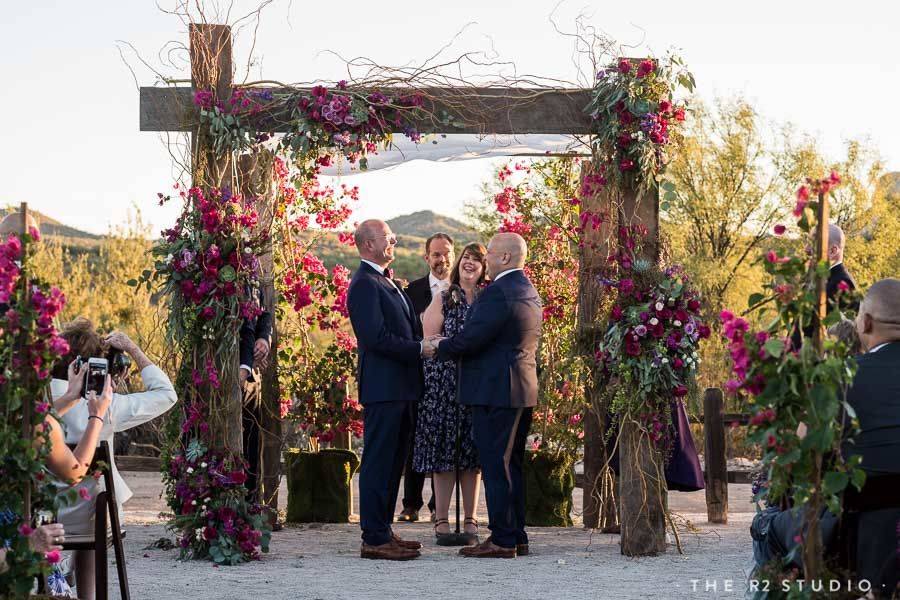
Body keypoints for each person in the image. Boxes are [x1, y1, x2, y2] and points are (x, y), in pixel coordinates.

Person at [761, 279, 900, 589]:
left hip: (858, 537)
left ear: (865, 322)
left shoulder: (841, 378)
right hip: (879, 536)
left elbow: (796, 460)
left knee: (768, 527)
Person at [426, 232, 542, 559]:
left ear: (504, 258)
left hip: (496, 391)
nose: (486, 258)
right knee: (511, 466)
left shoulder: (498, 293)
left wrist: (440, 347)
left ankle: (503, 539)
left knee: (496, 465)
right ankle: (516, 534)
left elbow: (472, 339)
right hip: (518, 388)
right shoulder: (527, 290)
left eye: (490, 253)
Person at [49, 320, 177, 599]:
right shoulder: (107, 406)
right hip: (89, 518)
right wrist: (133, 349)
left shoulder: (40, 401)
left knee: (90, 498)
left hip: (44, 517)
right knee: (96, 498)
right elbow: (167, 395)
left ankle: (66, 567)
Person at [347, 219, 428, 561]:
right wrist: (420, 349)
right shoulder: (364, 284)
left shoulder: (386, 281)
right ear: (368, 245)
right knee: (379, 461)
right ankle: (373, 538)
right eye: (387, 237)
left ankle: (382, 529)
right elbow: (375, 338)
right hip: (384, 387)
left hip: (403, 386)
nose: (393, 240)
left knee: (395, 462)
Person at [1, 363, 113, 598]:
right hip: (14, 552)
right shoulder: (32, 421)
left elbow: (31, 427)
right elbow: (74, 471)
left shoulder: (22, 423)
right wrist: (96, 416)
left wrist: (71, 398)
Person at [414, 242, 486, 543]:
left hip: (476, 383)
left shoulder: (488, 298)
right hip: (444, 384)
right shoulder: (445, 296)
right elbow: (430, 340)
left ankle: (470, 520)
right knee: (444, 455)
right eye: (466, 258)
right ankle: (441, 521)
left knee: (472, 456)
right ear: (460, 264)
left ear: (484, 267)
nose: (470, 263)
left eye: (477, 260)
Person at [397, 233, 454, 523]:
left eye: (445, 253)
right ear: (426, 257)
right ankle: (410, 505)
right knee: (413, 437)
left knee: (444, 437)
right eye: (436, 254)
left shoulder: (460, 291)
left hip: (450, 376)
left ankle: (437, 507)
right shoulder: (412, 291)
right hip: (418, 373)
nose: (441, 259)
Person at [238, 284, 272, 509]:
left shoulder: (251, 274)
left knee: (251, 442)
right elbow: (240, 325)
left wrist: (264, 339)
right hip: (227, 373)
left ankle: (249, 505)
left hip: (248, 377)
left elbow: (263, 314)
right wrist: (245, 364)